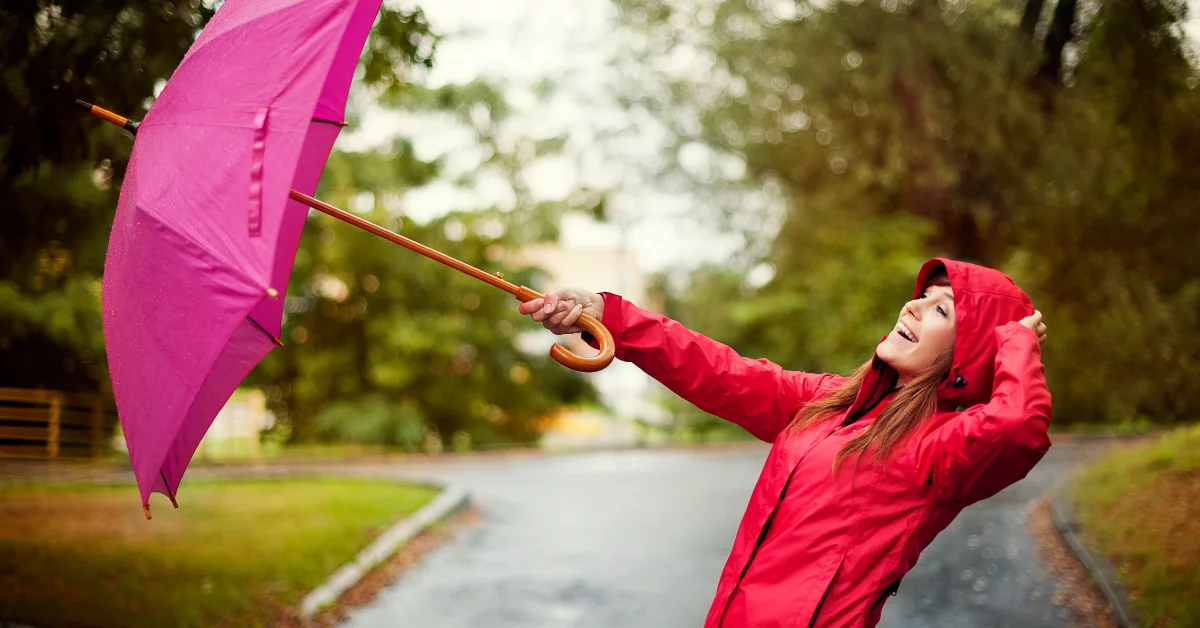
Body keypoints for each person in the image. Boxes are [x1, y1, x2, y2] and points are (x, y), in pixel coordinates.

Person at [518, 258, 1050, 628]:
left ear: (969, 353)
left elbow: (1018, 427)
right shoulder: (830, 402)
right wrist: (609, 314)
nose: (912, 308)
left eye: (942, 310)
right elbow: (721, 371)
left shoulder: (943, 446)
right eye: (921, 298)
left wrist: (1015, 342)